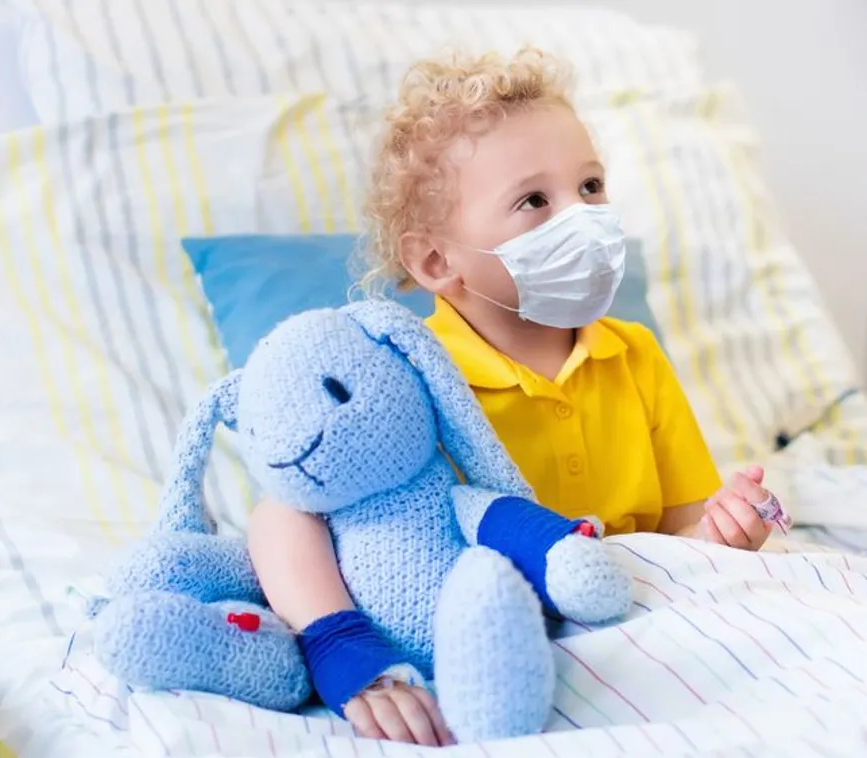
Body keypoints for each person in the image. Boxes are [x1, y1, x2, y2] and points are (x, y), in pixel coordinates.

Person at [246, 46, 788, 747]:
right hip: (474, 643)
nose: (582, 217)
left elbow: (680, 532)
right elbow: (284, 514)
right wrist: (340, 649)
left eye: (590, 186)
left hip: (623, 625)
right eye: (534, 200)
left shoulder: (633, 355)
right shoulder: (402, 374)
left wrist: (723, 533)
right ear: (436, 260)